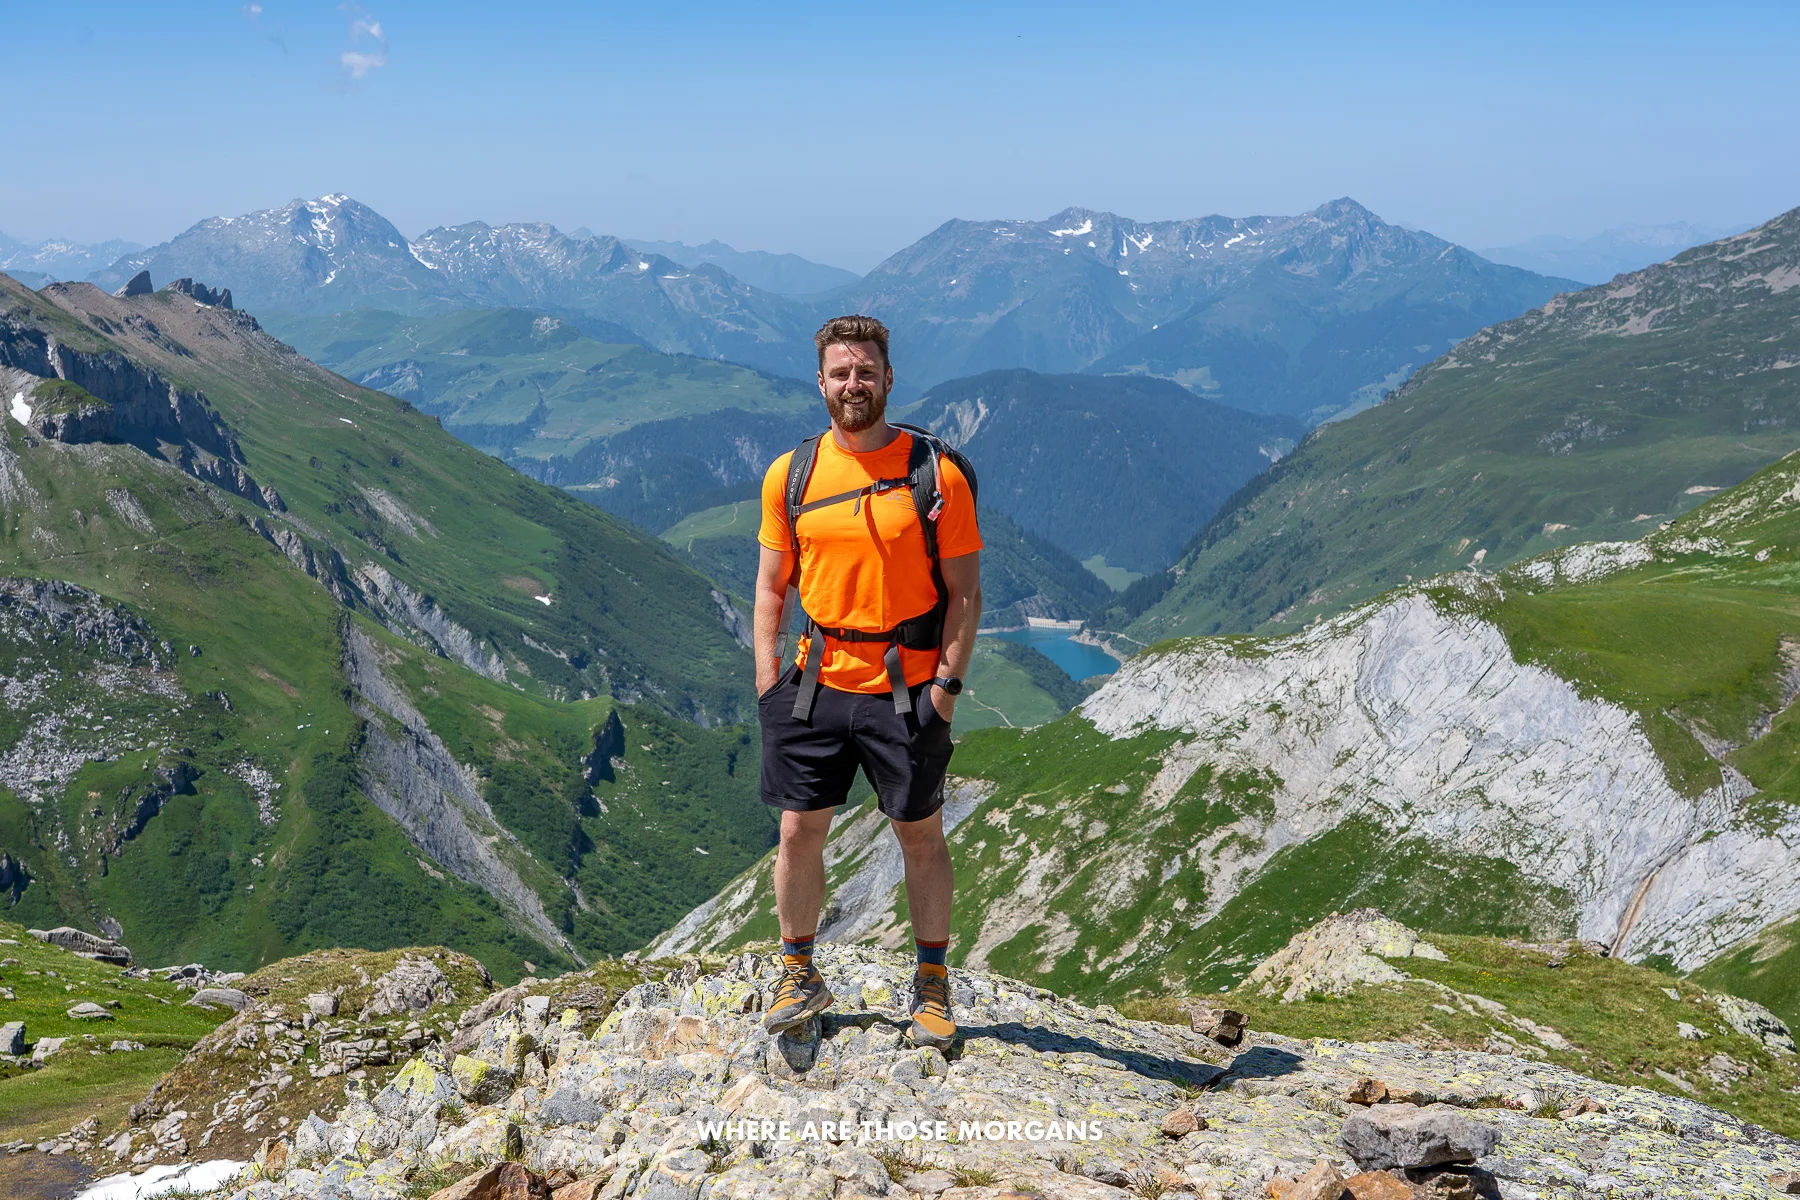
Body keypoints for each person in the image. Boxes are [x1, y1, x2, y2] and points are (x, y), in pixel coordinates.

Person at [752, 314, 982, 1050]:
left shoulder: (935, 475)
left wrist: (944, 688)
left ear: (889, 379)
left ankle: (933, 982)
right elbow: (770, 589)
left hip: (908, 688)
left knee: (920, 835)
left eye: (866, 371)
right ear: (820, 383)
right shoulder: (792, 476)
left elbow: (966, 592)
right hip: (814, 684)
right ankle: (798, 971)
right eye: (840, 373)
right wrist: (768, 683)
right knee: (798, 830)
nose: (854, 384)